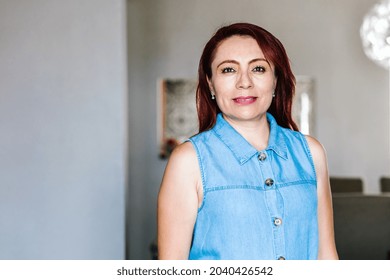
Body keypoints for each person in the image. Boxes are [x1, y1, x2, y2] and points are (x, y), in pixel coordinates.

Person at [157, 22, 338, 260]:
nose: (245, 82)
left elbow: (327, 257)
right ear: (210, 83)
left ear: (275, 80)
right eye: (228, 70)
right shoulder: (188, 161)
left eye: (259, 69)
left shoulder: (311, 153)